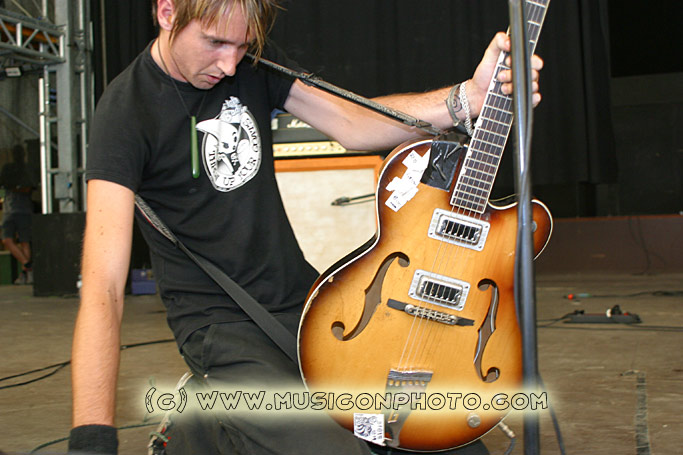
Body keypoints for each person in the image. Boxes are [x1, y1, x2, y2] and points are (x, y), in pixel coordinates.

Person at [68, 0, 544, 454]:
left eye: (243, 45)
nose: (231, 64)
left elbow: (351, 122)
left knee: (423, 436)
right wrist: (92, 441)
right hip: (219, 322)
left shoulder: (252, 62)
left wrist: (468, 97)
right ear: (167, 11)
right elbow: (103, 288)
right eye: (215, 43)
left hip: (303, 302)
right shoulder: (126, 112)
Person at [0, 144, 34, 285]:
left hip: (23, 209)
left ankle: (26, 273)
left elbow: (29, 187)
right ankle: (27, 264)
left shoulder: (27, 169)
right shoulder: (8, 168)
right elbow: (4, 183)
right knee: (6, 239)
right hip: (9, 209)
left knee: (24, 240)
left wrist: (17, 187)